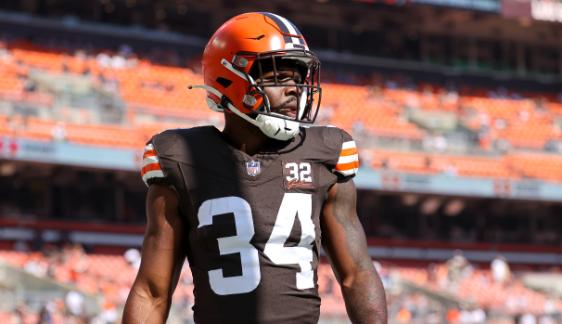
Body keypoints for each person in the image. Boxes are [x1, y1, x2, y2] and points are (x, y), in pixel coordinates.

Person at [122, 12, 387, 324]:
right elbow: (153, 290)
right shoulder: (181, 158)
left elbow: (356, 274)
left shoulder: (325, 154)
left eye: (298, 77)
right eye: (277, 77)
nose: (294, 89)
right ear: (229, 79)